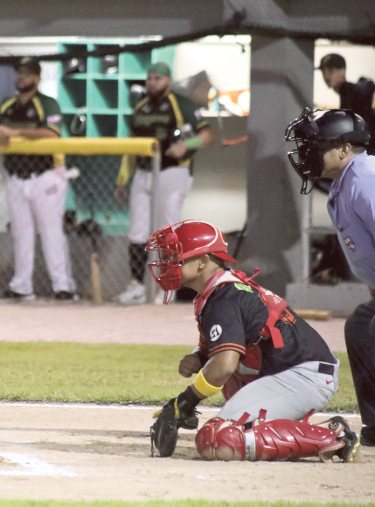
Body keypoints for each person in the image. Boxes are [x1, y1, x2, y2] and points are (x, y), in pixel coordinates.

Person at [146, 219, 359, 462]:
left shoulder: (223, 298)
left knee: (219, 439)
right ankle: (275, 425)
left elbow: (224, 366)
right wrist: (198, 355)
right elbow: (224, 343)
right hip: (293, 370)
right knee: (224, 399)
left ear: (203, 262)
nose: (168, 264)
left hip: (303, 375)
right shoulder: (221, 290)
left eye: (176, 257)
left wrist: (185, 401)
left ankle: (332, 435)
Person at [286, 107, 375, 447]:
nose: (309, 153)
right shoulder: (346, 182)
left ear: (343, 150)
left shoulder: (364, 178)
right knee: (360, 326)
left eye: (316, 146)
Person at [114, 62, 214, 305]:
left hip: (173, 171)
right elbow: (130, 148)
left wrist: (186, 146)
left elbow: (207, 136)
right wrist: (121, 180)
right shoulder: (140, 108)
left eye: (157, 78)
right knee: (137, 231)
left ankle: (166, 288)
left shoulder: (182, 105)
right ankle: (137, 285)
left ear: (168, 81)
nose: (152, 83)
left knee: (167, 232)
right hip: (144, 171)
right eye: (149, 78)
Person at [0, 56, 77, 301]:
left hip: (45, 177)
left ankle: (63, 285)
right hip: (16, 176)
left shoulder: (47, 103)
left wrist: (14, 132)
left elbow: (51, 133)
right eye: (19, 73)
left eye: (27, 74)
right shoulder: (8, 103)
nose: (21, 78)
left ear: (37, 78)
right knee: (21, 233)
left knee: (51, 232)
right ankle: (21, 286)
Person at [317, 53, 375, 154]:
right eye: (323, 72)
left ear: (342, 71)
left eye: (331, 71)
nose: (326, 76)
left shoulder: (347, 90)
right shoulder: (347, 91)